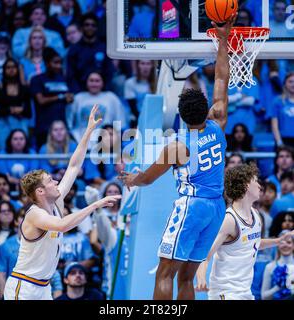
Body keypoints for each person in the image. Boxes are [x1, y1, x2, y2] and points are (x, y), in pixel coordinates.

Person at [119, 16, 236, 300]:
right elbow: (221, 77)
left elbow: (147, 179)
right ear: (207, 108)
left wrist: (133, 178)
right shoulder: (218, 120)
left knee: (165, 273)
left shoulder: (177, 145)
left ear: (181, 116)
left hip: (192, 206)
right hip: (217, 207)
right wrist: (223, 40)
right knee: (187, 277)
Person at [3, 105, 121, 300]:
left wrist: (88, 131)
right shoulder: (35, 214)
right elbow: (63, 225)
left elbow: (74, 166)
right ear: (40, 191)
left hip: (43, 287)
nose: (56, 181)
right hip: (23, 286)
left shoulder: (55, 203)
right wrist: (94, 205)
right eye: (50, 181)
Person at [196, 164, 293, 300]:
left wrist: (278, 241)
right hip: (226, 292)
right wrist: (201, 278)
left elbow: (252, 243)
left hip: (245, 292)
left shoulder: (256, 215)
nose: (260, 186)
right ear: (246, 185)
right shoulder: (229, 220)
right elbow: (205, 256)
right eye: (256, 181)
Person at [30, 47, 74, 149]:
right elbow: (40, 100)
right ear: (47, 63)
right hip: (43, 126)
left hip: (62, 126)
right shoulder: (37, 79)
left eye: (60, 63)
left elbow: (70, 96)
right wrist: (61, 97)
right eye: (55, 63)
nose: (59, 66)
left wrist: (69, 98)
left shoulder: (64, 79)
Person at [67, 72, 127, 144]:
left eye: (97, 81)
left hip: (105, 143)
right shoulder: (78, 98)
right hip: (80, 142)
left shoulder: (111, 97)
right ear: (86, 82)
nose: (94, 84)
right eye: (91, 81)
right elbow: (69, 121)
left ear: (103, 82)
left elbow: (120, 120)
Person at [66, 12, 114, 93]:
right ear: (82, 28)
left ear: (96, 28)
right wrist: (77, 92)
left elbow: (109, 71)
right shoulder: (74, 49)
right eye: (87, 25)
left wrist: (104, 90)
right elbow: (70, 74)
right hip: (80, 92)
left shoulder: (104, 48)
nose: (90, 27)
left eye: (93, 25)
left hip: (102, 92)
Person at [0, 58, 32, 152]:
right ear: (4, 70)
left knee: (22, 150)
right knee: (2, 150)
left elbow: (29, 112)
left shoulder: (24, 89)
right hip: (2, 123)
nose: (11, 70)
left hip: (20, 122)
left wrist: (21, 110)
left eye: (14, 67)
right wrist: (10, 110)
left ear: (18, 70)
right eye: (8, 67)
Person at [261, 230, 294, 300]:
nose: (285, 245)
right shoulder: (270, 267)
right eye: (282, 242)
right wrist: (278, 286)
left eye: (289, 242)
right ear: (277, 245)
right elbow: (263, 296)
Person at [124, 60, 157, 127]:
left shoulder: (158, 82)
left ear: (152, 66)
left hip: (155, 118)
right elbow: (133, 108)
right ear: (137, 65)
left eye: (148, 64)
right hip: (136, 120)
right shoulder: (130, 83)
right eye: (142, 63)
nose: (145, 67)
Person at [269, 72, 294, 147]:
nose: (293, 84)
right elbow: (274, 125)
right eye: (290, 81)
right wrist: (279, 142)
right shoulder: (277, 101)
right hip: (284, 140)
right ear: (285, 84)